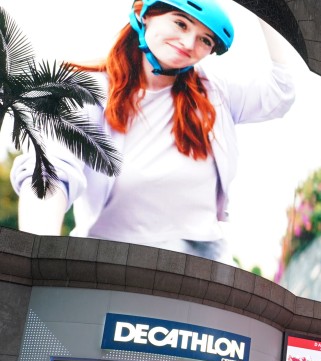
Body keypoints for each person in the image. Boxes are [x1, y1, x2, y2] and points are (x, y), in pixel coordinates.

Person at [12, 0, 296, 261]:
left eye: (205, 40)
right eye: (180, 23)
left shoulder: (216, 95)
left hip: (201, 271)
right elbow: (49, 175)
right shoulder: (82, 90)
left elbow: (281, 93)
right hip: (110, 263)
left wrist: (269, 7)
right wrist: (38, 258)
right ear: (145, 15)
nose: (188, 43)